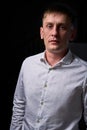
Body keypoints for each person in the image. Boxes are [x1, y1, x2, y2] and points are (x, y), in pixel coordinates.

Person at [10, 2, 87, 130]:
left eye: (62, 27)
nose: (54, 33)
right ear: (42, 32)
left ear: (72, 34)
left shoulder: (84, 72)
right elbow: (19, 105)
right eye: (49, 26)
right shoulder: (28, 64)